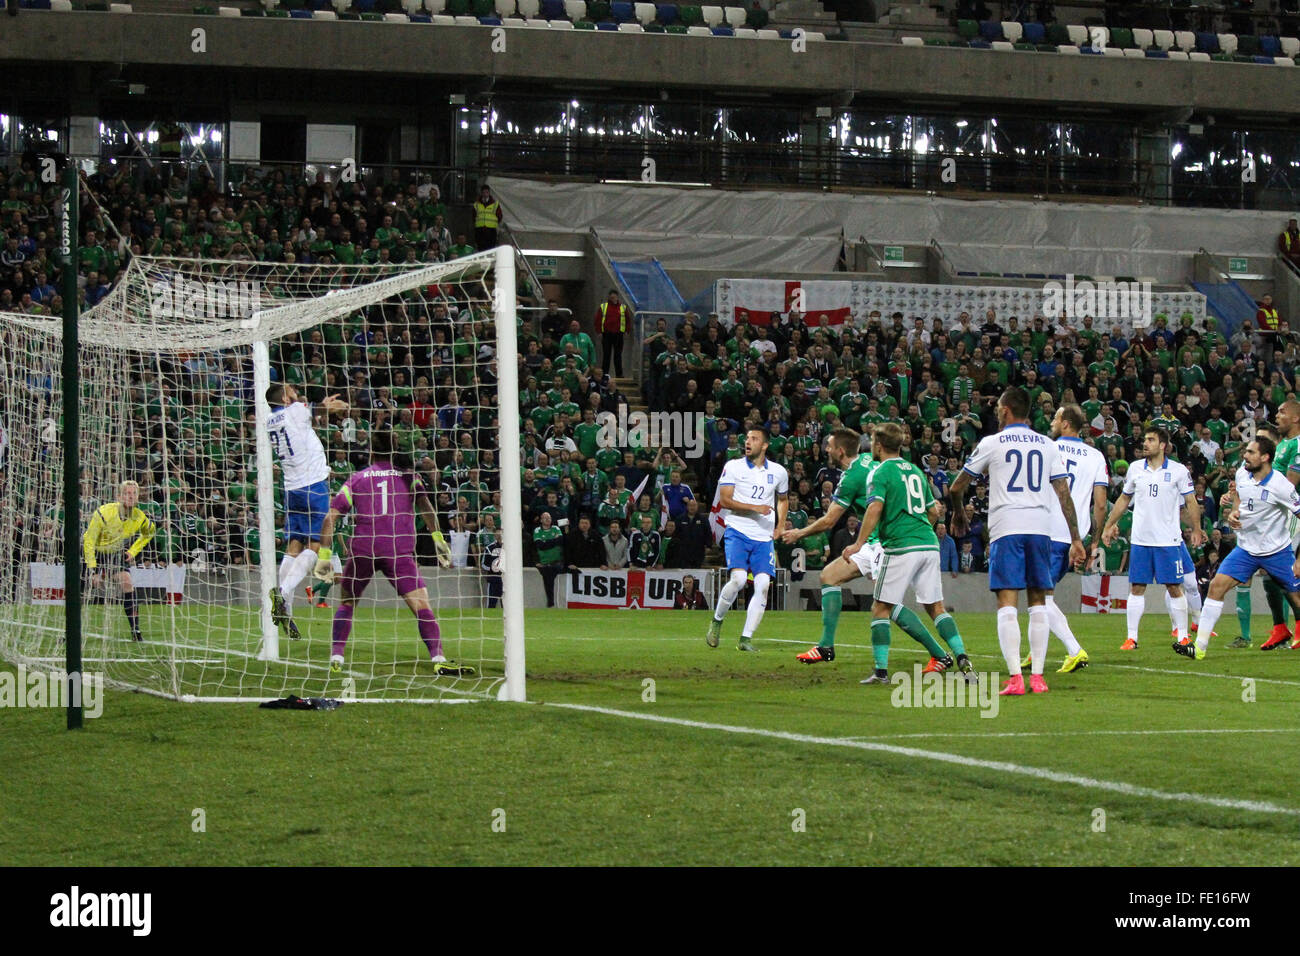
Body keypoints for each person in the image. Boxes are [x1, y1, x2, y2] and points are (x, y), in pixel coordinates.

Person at [949, 387, 1086, 696]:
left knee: (1007, 602)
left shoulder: (991, 442)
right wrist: (1075, 537)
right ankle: (1038, 677)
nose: (998, 412)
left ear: (1006, 410)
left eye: (999, 408)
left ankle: (1015, 679)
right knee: (1039, 601)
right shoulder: (1048, 445)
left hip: (1007, 527)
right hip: (1040, 529)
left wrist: (959, 514)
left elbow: (957, 487)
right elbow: (1063, 494)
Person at [316, 431, 470, 675]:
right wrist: (439, 541)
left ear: (371, 452)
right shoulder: (410, 477)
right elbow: (426, 508)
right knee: (421, 605)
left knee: (347, 602)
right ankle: (438, 657)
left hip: (364, 548)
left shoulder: (357, 478)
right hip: (398, 549)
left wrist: (324, 556)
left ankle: (337, 657)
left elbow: (330, 518)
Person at [843, 423, 973, 684]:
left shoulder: (879, 473)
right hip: (928, 543)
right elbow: (934, 511)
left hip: (902, 546)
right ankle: (962, 659)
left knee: (880, 607)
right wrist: (918, 526)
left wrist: (858, 544)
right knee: (936, 608)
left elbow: (874, 509)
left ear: (879, 445)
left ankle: (880, 672)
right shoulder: (915, 470)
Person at [1176, 437, 1300, 660]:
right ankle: (1199, 648)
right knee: (1216, 587)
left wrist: (1299, 558)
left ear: (1265, 457)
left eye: (1251, 452)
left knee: (1297, 599)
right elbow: (1240, 498)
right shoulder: (1243, 472)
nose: (1245, 456)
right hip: (1246, 550)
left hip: (1277, 552)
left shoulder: (1281, 486)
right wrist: (1235, 512)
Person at [1100, 426, 1206, 651]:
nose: (1145, 443)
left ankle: (1183, 637)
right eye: (1145, 439)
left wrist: (1196, 528)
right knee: (1137, 587)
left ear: (1163, 445)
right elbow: (1123, 499)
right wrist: (1109, 525)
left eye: (1151, 440)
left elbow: (1190, 502)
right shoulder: (1136, 469)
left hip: (1168, 541)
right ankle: (1131, 638)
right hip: (1140, 540)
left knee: (1174, 587)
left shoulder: (1178, 471)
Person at [1022, 405, 1110, 673]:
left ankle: (1074, 650)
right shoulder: (1096, 456)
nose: (1052, 421)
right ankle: (1036, 651)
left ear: (1066, 424)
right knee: (1042, 592)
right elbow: (1101, 505)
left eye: (1057, 417)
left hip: (1046, 531)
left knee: (1040, 596)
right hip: (1073, 537)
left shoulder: (1046, 447)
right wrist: (1092, 542)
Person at [783, 427, 881, 664]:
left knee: (887, 605)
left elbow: (828, 521)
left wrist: (799, 533)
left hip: (884, 541)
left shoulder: (851, 477)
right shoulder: (868, 460)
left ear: (839, 451)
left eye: (829, 445)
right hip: (873, 539)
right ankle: (826, 646)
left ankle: (942, 654)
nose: (825, 448)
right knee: (829, 576)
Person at [264, 382, 349, 638]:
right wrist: (336, 405)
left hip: (292, 490)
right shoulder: (296, 410)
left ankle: (285, 608)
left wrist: (322, 406)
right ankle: (283, 592)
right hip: (313, 486)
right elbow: (322, 410)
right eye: (290, 390)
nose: (295, 391)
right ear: (286, 399)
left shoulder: (271, 420)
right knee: (314, 546)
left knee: (294, 545)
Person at [706, 427, 789, 652]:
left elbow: (783, 499)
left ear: (765, 445)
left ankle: (745, 638)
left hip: (763, 536)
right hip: (738, 530)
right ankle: (717, 620)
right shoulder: (733, 466)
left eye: (754, 439)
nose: (748, 442)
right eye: (747, 438)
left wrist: (780, 526)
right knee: (739, 580)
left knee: (763, 586)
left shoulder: (779, 472)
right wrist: (755, 508)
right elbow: (725, 500)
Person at [1236, 403, 1300, 649]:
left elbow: (1289, 486)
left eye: (1282, 412)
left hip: (1290, 512)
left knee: (1287, 572)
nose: (1277, 416)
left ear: (1295, 418)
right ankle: (1280, 627)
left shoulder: (1297, 445)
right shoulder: (1283, 445)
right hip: (1277, 513)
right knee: (1271, 574)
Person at [82, 479, 157, 643]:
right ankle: (69, 632)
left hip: (115, 554)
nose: (130, 497)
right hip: (92, 552)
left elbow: (150, 532)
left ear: (138, 497)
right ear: (119, 496)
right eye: (126, 493)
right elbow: (88, 540)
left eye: (134, 493)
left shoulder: (140, 517)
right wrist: (93, 570)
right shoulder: (103, 512)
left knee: (127, 583)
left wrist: (132, 551)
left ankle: (136, 631)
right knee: (79, 592)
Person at [595, 289, 629, 378]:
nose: (612, 298)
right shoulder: (603, 307)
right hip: (607, 334)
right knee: (606, 355)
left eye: (614, 297)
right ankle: (605, 374)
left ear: (617, 297)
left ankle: (619, 374)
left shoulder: (623, 307)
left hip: (618, 334)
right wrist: (599, 332)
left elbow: (627, 320)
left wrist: (626, 331)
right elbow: (598, 320)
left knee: (618, 355)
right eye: (611, 297)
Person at [472, 184, 501, 252]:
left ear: (489, 193)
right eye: (484, 192)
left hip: (491, 231)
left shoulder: (495, 204)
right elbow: (473, 216)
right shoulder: (476, 204)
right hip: (480, 231)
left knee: (490, 249)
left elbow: (499, 216)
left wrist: (493, 224)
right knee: (481, 249)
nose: (485, 194)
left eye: (487, 192)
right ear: (481, 193)